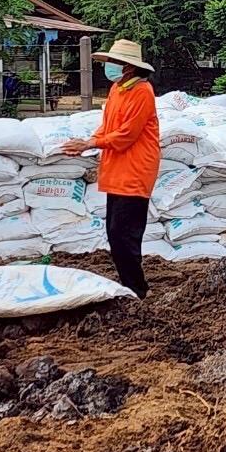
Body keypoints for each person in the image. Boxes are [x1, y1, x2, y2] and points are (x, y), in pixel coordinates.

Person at [63, 40, 160, 298]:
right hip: (117, 169)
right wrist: (87, 142)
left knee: (124, 234)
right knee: (114, 233)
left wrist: (92, 143)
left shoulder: (142, 92)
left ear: (128, 67)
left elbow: (127, 134)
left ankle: (137, 290)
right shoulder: (118, 89)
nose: (109, 68)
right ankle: (131, 286)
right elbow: (108, 126)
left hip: (136, 170)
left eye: (113, 63)